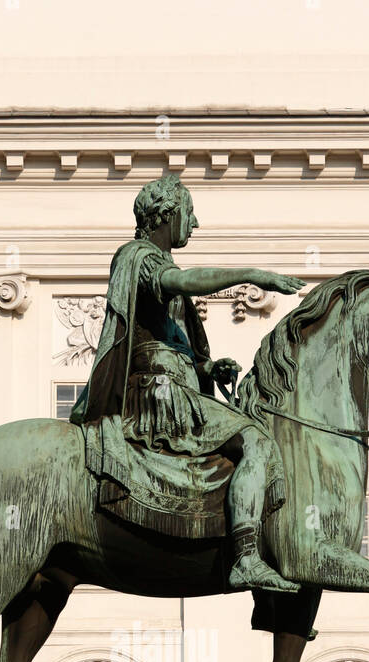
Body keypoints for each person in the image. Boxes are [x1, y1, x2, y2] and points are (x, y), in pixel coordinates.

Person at [71, 173, 304, 593]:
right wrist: (253, 274)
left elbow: (175, 344)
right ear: (167, 214)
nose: (194, 224)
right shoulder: (137, 257)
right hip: (157, 394)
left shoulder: (157, 266)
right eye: (189, 213)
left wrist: (209, 368)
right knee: (258, 441)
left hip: (175, 385)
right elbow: (177, 284)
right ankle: (247, 556)